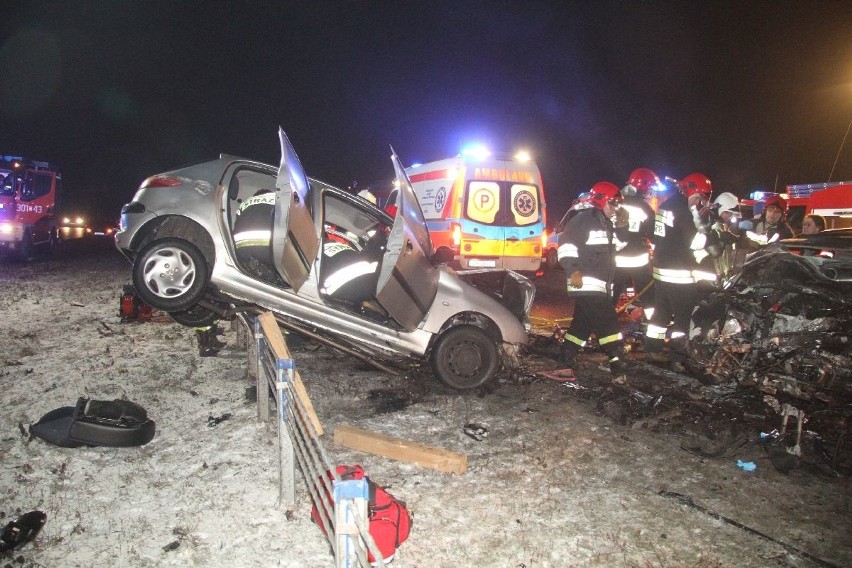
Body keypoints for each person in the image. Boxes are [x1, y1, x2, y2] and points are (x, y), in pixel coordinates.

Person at [556, 181, 630, 374]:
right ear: (601, 201)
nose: (615, 208)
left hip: (599, 285)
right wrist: (573, 270)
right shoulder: (582, 221)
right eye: (612, 203)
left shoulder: (606, 224)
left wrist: (622, 226)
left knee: (583, 323)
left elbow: (620, 246)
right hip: (584, 282)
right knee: (607, 320)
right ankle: (617, 358)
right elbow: (565, 246)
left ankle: (566, 353)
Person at [644, 172, 714, 361]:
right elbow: (694, 242)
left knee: (660, 314)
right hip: (679, 275)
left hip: (660, 270)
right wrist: (714, 238)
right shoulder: (684, 211)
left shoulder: (665, 206)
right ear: (692, 192)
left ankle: (652, 349)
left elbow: (650, 230)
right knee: (682, 319)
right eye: (701, 196)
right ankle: (678, 357)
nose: (701, 202)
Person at [613, 168, 659, 321]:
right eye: (650, 187)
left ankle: (603, 326)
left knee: (610, 295)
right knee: (648, 296)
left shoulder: (615, 202)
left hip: (615, 259)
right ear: (644, 185)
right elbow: (654, 234)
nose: (650, 192)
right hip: (638, 260)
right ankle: (651, 323)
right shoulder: (644, 208)